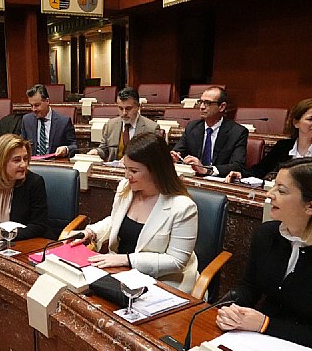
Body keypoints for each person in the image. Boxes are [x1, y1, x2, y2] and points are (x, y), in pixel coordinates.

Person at [216, 158, 312, 351]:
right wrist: (231, 311)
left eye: (281, 190)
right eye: (273, 186)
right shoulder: (266, 234)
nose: (270, 194)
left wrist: (266, 325)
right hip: (265, 344)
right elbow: (249, 287)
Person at [71, 132, 199, 293]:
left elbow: (176, 261)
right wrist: (91, 232)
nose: (126, 175)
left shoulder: (183, 207)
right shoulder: (126, 187)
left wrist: (126, 260)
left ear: (155, 170)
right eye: (125, 168)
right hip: (119, 274)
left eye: (133, 170)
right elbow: (115, 219)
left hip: (161, 284)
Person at [225, 98, 312, 182]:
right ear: (296, 123)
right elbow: (261, 169)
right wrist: (241, 174)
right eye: (311, 119)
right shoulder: (283, 146)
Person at [0, 134, 53, 241]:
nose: (23, 164)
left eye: (25, 159)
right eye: (17, 160)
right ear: (1, 161)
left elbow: (39, 226)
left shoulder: (34, 183)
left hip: (23, 242)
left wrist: (4, 234)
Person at [171, 86, 248, 177]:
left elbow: (237, 165)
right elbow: (178, 152)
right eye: (201, 102)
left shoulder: (237, 132)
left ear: (222, 107)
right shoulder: (192, 127)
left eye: (208, 103)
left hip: (219, 182)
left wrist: (207, 170)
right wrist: (175, 157)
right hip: (194, 178)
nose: (202, 107)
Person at [88, 86, 158, 161]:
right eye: (120, 108)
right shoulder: (111, 125)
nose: (124, 113)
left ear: (138, 107)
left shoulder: (151, 128)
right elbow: (104, 149)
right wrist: (97, 152)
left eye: (128, 108)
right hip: (113, 170)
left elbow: (154, 158)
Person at [21, 84, 77, 157]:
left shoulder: (63, 121)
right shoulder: (27, 120)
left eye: (37, 105)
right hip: (33, 163)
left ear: (47, 101)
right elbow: (22, 144)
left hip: (54, 163)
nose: (33, 109)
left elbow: (74, 146)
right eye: (31, 105)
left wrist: (66, 149)